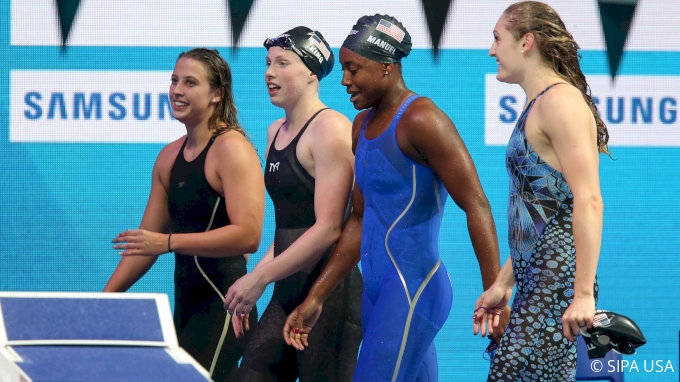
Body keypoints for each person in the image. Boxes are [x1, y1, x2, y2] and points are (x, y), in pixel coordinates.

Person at [282, 15, 506, 382]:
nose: (344, 80)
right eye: (343, 69)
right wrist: (317, 296)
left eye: (354, 69)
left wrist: (495, 292)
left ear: (386, 67)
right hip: (376, 293)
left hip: (413, 288)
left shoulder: (422, 120)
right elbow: (358, 218)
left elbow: (476, 203)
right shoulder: (361, 126)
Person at [104, 48, 264, 382]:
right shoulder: (168, 158)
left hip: (226, 307)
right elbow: (146, 243)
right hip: (186, 307)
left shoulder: (231, 148)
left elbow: (248, 235)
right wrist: (106, 298)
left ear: (216, 94)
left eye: (190, 82)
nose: (177, 90)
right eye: (174, 80)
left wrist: (169, 242)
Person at [472, 2, 609, 381]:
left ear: (526, 42)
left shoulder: (560, 103)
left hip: (557, 280)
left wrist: (582, 294)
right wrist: (503, 284)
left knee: (513, 374)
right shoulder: (539, 104)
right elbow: (543, 212)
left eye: (498, 39)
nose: (491, 50)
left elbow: (589, 199)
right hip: (538, 279)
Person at [222, 27, 363, 382]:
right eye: (268, 63)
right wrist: (257, 279)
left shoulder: (330, 129)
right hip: (287, 288)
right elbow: (290, 228)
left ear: (312, 74)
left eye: (283, 63)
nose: (269, 72)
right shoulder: (275, 133)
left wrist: (260, 277)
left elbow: (329, 227)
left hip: (329, 292)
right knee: (252, 373)